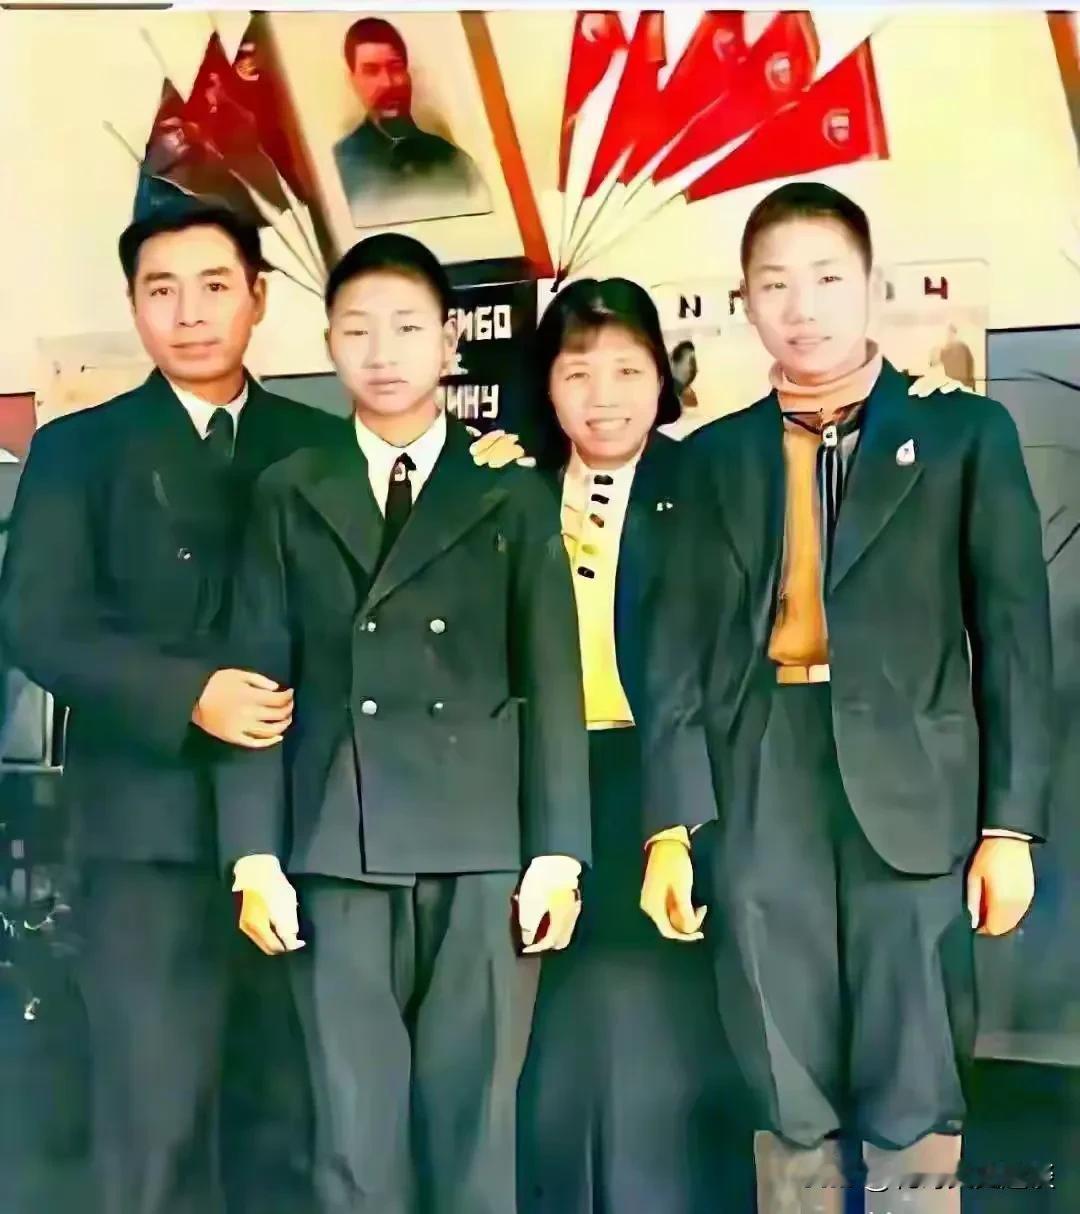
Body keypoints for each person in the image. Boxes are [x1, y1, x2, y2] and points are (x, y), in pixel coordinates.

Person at [639, 182, 1052, 1212]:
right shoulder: (713, 457)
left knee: (916, 1072)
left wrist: (1009, 829)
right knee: (785, 1075)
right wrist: (670, 828)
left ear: (872, 288)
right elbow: (675, 655)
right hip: (761, 769)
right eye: (775, 284)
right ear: (745, 300)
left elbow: (1013, 643)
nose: (803, 306)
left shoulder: (966, 434)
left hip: (915, 784)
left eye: (827, 278)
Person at [216, 233, 591, 1214]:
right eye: (357, 329)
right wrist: (253, 856)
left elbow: (552, 679)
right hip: (335, 841)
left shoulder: (510, 489)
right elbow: (258, 683)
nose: (382, 351)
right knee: (350, 1136)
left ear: (450, 341)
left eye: (407, 327)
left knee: (475, 1135)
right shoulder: (289, 490)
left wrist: (559, 854)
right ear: (328, 343)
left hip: (485, 847)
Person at [0, 200, 348, 1214]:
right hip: (143, 837)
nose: (189, 313)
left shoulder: (327, 445)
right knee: (153, 1124)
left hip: (305, 834)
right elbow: (36, 622)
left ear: (259, 298)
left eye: (214, 286)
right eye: (162, 290)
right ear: (134, 305)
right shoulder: (79, 449)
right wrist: (186, 692)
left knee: (289, 1117)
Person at [511, 278, 756, 1214]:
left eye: (627, 370)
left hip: (674, 788)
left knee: (657, 1042)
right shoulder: (511, 487)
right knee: (553, 1053)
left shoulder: (708, 484)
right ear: (547, 385)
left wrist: (674, 825)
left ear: (663, 379)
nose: (603, 396)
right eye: (578, 373)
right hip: (539, 786)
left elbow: (705, 668)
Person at [333, 17, 488, 227]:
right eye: (371, 71)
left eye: (395, 67)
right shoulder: (341, 166)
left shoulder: (455, 161)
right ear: (353, 81)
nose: (387, 84)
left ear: (408, 75)